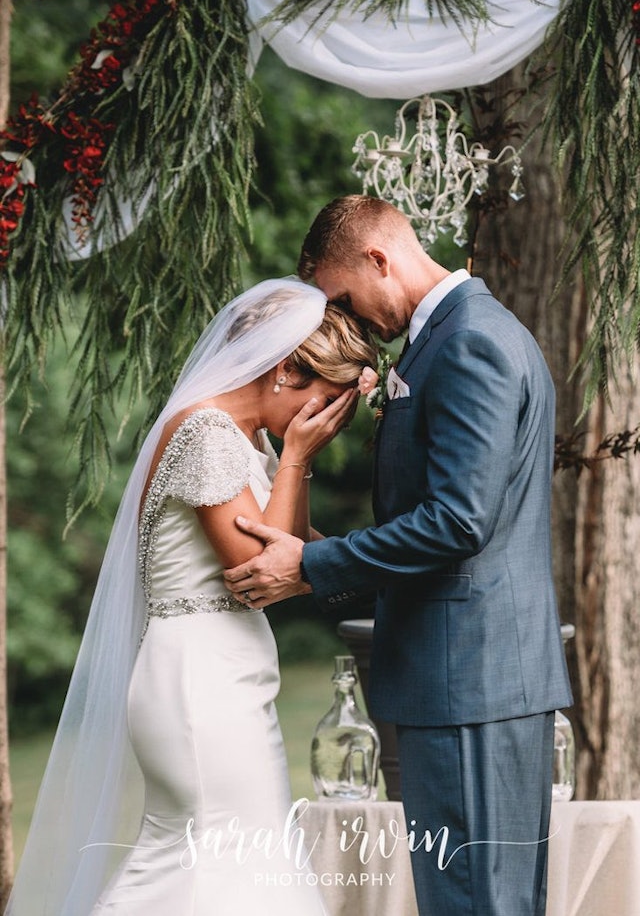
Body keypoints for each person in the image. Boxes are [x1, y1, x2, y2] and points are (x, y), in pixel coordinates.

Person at [224, 196, 574, 916]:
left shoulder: (467, 342)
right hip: (475, 677)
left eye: (342, 298)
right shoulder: (463, 334)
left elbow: (458, 522)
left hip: (467, 680)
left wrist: (314, 567)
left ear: (378, 259)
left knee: (474, 903)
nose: (344, 319)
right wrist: (322, 553)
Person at [6, 277, 377, 916]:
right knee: (222, 856)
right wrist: (296, 458)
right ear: (286, 371)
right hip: (196, 681)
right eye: (322, 404)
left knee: (212, 859)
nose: (321, 425)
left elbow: (292, 550)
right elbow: (259, 572)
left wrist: (298, 461)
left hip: (223, 677)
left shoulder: (249, 439)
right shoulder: (206, 431)